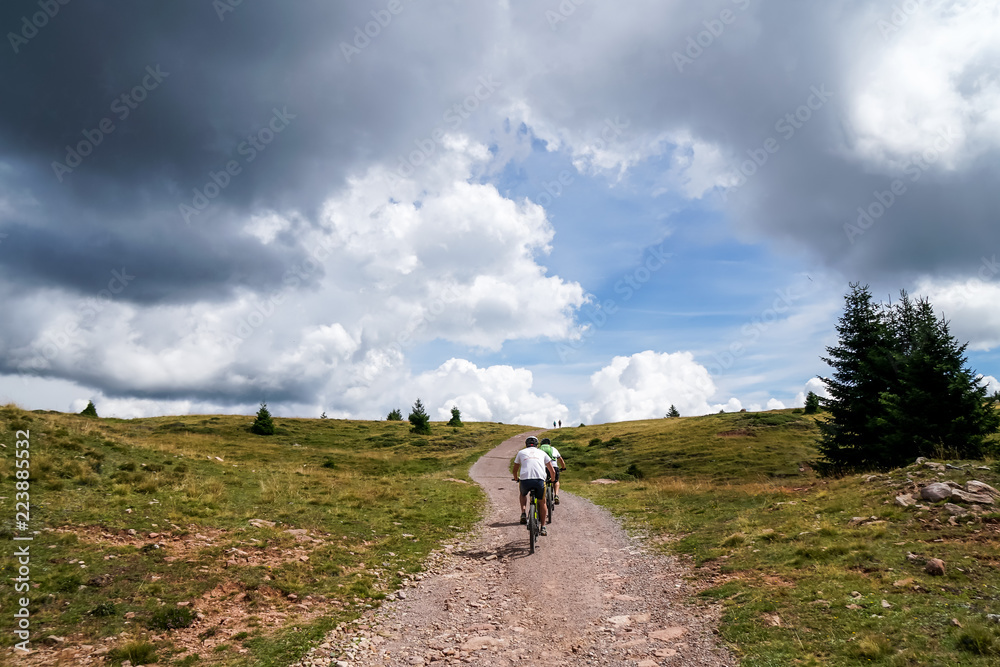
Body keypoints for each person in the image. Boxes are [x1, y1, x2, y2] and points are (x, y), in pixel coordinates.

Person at [511, 435, 556, 536]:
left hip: (525, 480)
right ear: (537, 444)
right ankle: (543, 527)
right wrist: (552, 479)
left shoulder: (521, 452)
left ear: (526, 444)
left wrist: (516, 478)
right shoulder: (542, 452)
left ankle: (523, 513)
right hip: (539, 480)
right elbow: (551, 470)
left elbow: (515, 469)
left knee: (523, 494)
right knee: (542, 501)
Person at [538, 438, 566, 505]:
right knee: (556, 481)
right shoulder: (554, 449)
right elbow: (561, 460)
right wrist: (563, 467)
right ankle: (556, 495)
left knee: (543, 481)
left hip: (543, 468)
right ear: (549, 444)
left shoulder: (539, 449)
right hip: (554, 467)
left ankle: (543, 496)